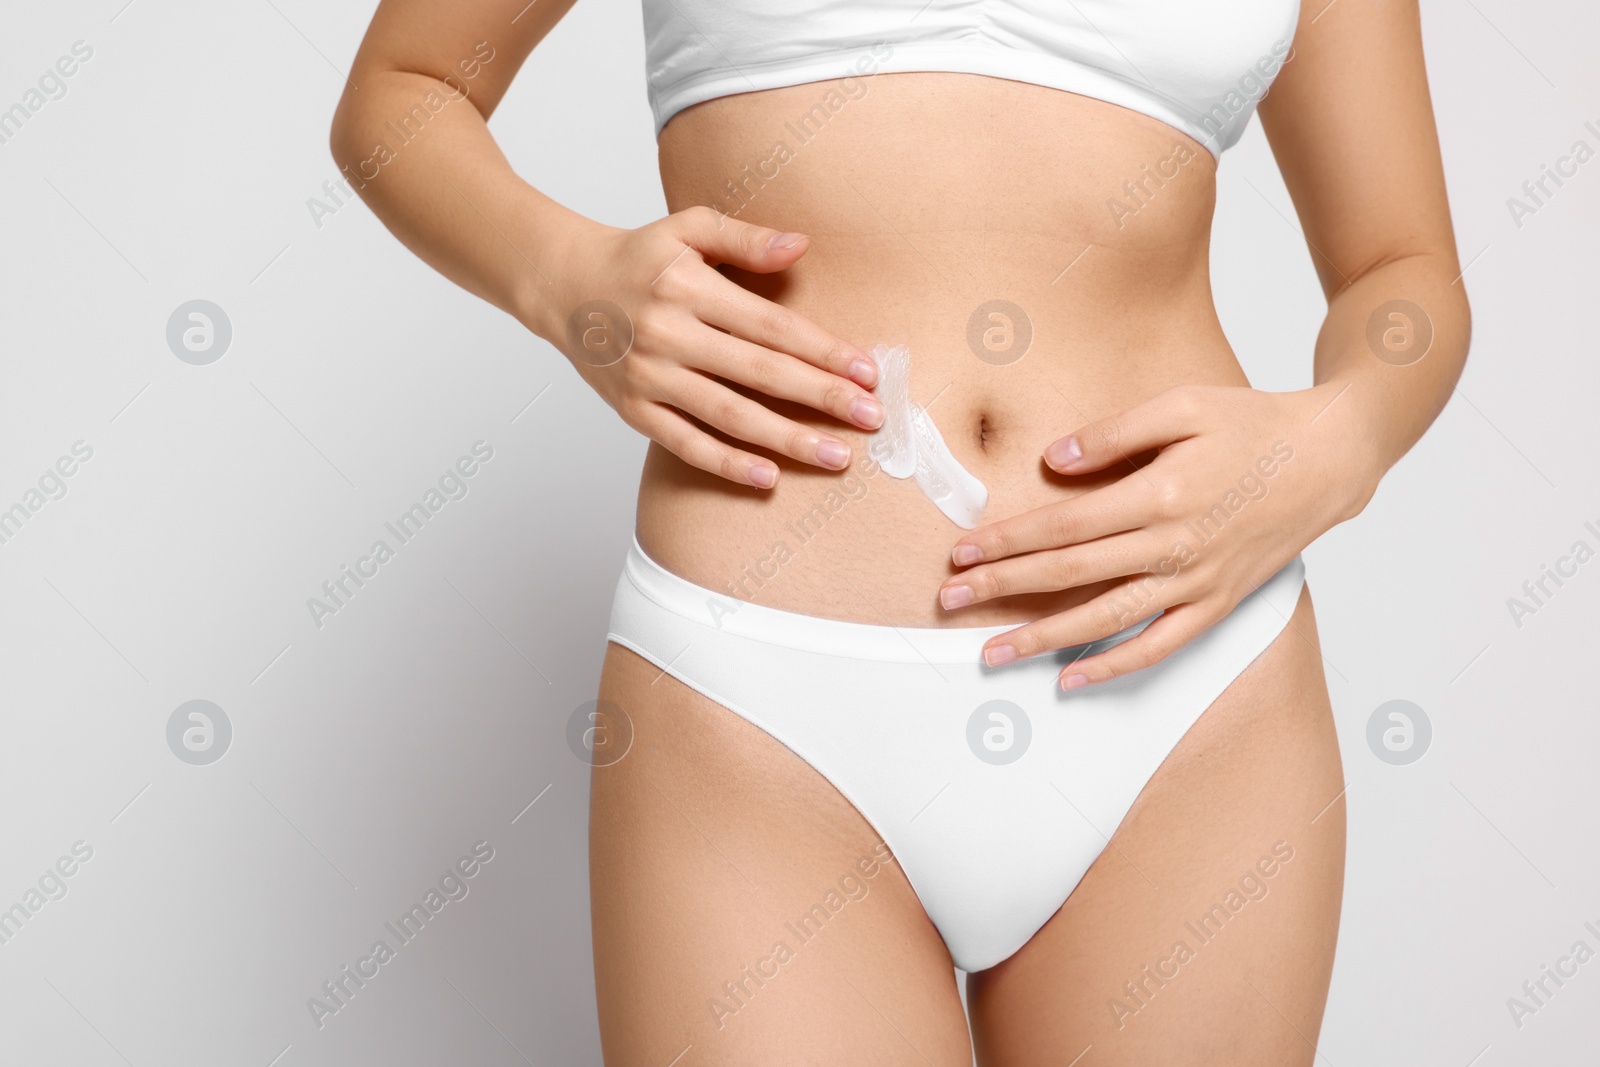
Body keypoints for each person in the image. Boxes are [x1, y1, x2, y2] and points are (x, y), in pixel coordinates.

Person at [331, 0, 1469, 1061]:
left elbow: (1400, 270)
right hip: (760, 709)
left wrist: (1335, 438)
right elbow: (401, 92)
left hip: (1185, 688)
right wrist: (567, 276)